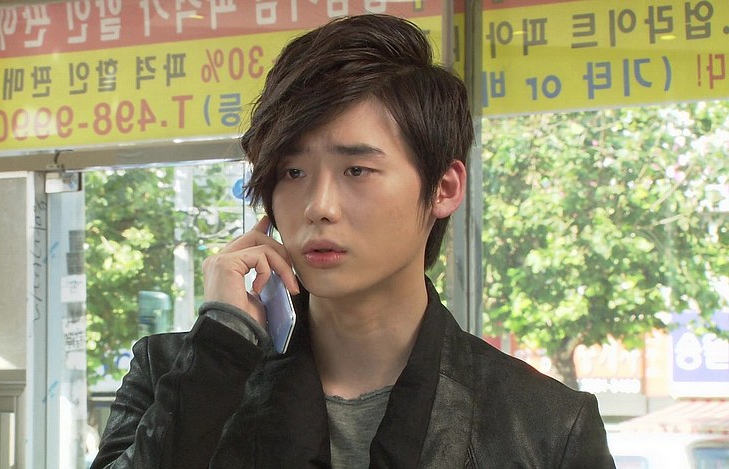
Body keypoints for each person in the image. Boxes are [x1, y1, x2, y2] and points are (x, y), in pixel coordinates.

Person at [91, 14, 614, 468]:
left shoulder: (545, 427)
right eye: (293, 172)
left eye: (357, 170)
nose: (319, 205)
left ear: (444, 188)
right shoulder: (177, 374)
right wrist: (220, 349)